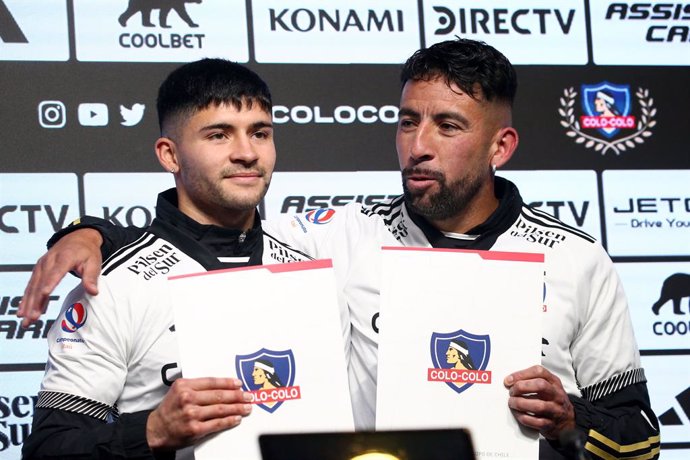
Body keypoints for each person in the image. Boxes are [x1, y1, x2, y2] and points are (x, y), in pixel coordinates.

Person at [18, 39, 660, 459]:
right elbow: (209, 233)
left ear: (502, 146)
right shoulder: (340, 238)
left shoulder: (578, 259)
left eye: (449, 125)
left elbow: (643, 439)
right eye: (408, 121)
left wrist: (571, 418)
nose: (419, 145)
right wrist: (91, 232)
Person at [21, 58, 326, 459]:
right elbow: (49, 449)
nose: (247, 153)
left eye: (260, 132)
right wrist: (151, 429)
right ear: (170, 155)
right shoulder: (111, 285)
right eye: (219, 135)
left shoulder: (311, 265)